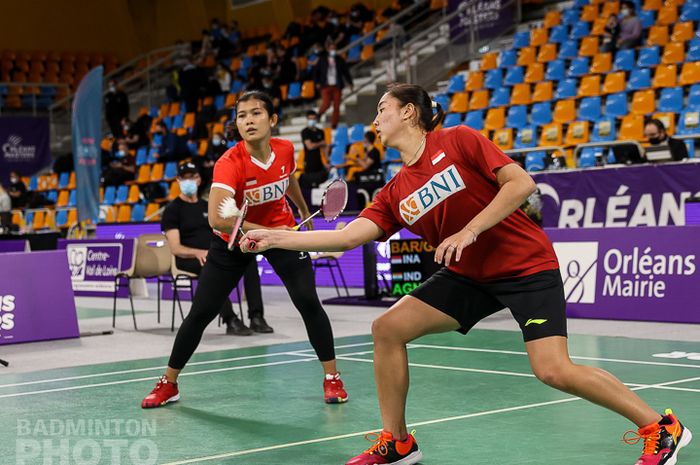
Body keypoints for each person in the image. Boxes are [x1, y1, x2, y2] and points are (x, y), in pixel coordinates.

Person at [240, 84, 692, 465]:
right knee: (387, 328)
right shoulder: (396, 190)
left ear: (409, 113)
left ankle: (661, 426)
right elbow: (345, 238)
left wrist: (471, 229)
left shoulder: (458, 140)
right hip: (469, 275)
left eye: (382, 110)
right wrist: (275, 238)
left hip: (524, 266)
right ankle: (397, 441)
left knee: (553, 370)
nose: (375, 120)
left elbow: (521, 184)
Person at [141, 91, 348, 409]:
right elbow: (217, 219)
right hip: (233, 241)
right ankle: (169, 382)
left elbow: (288, 177)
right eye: (242, 116)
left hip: (280, 233)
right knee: (202, 312)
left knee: (307, 300)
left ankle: (332, 377)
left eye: (256, 113)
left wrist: (303, 211)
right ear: (236, 124)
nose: (249, 121)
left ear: (273, 119)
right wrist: (265, 232)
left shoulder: (284, 148)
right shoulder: (229, 164)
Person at [161, 162, 270, 336]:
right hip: (188, 259)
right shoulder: (172, 210)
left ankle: (257, 316)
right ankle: (230, 319)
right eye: (184, 178)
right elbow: (175, 248)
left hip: (215, 253)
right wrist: (198, 253)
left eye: (192, 176)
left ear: (199, 179)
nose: (189, 181)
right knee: (211, 268)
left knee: (249, 261)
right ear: (178, 180)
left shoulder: (208, 206)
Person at [314, 42, 354, 129]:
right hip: (325, 85)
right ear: (328, 49)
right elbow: (316, 71)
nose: (333, 50)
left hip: (337, 86)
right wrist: (317, 82)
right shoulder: (322, 59)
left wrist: (350, 83)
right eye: (331, 48)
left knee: (337, 106)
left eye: (334, 48)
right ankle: (319, 114)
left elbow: (345, 72)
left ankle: (334, 125)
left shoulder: (339, 59)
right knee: (326, 103)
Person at [299, 110, 330, 188]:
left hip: (320, 164)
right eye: (310, 119)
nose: (312, 121)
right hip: (309, 163)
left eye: (313, 119)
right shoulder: (305, 132)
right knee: (311, 186)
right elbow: (309, 146)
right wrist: (320, 143)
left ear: (316, 119)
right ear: (307, 119)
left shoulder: (321, 132)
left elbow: (324, 147)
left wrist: (327, 160)